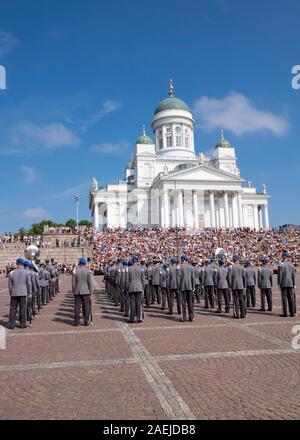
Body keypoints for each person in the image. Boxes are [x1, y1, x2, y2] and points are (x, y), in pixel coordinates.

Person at [8, 258, 31, 329]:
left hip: (14, 293)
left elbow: (10, 285)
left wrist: (11, 292)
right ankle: (22, 324)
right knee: (23, 308)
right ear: (22, 264)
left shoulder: (12, 272)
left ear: (17, 263)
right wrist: (29, 292)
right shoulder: (26, 272)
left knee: (13, 309)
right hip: (23, 292)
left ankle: (11, 324)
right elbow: (29, 283)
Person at [72, 258, 93, 326]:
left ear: (79, 263)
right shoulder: (88, 270)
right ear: (85, 263)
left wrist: (74, 291)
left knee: (77, 307)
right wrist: (91, 291)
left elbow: (73, 283)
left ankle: (76, 322)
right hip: (86, 290)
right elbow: (90, 283)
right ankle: (86, 321)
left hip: (77, 290)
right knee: (86, 307)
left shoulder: (75, 270)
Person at [278, 251, 296, 317]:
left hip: (283, 283)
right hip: (290, 283)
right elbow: (293, 275)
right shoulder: (291, 264)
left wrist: (279, 283)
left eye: (282, 255)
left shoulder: (281, 264)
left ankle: (285, 313)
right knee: (291, 298)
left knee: (284, 298)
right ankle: (292, 313)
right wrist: (294, 284)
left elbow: (280, 275)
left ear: (283, 256)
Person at [127, 256, 145, 323]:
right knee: (139, 303)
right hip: (139, 287)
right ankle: (139, 318)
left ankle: (132, 318)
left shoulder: (129, 269)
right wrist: (143, 288)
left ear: (132, 261)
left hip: (131, 287)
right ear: (137, 261)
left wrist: (127, 287)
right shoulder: (141, 269)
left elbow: (127, 280)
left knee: (132, 303)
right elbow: (143, 280)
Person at [179, 256, 195, 322]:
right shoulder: (191, 267)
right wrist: (193, 286)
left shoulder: (180, 267)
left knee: (183, 303)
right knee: (190, 303)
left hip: (182, 287)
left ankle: (183, 318)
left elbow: (179, 278)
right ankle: (191, 317)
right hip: (189, 286)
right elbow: (192, 278)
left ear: (183, 260)